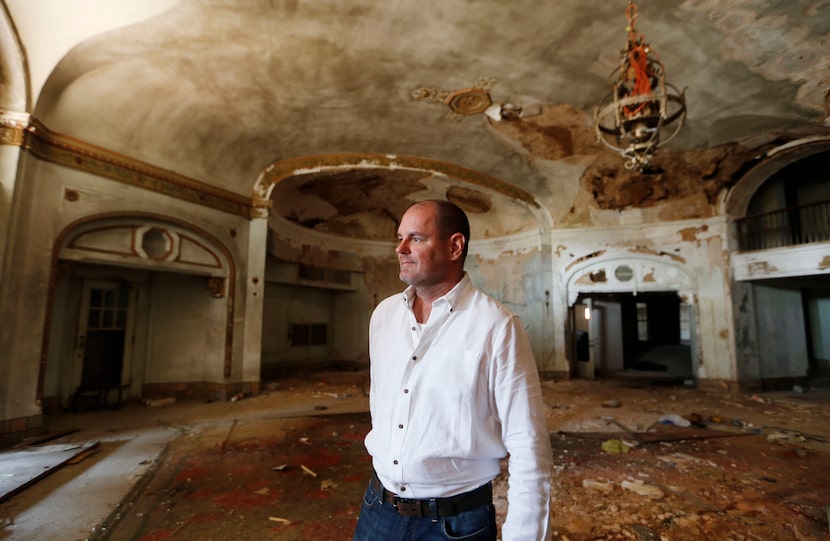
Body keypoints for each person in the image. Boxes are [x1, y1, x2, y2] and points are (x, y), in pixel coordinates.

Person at [353, 199, 552, 541]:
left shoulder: (497, 326)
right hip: (378, 509)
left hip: (456, 524)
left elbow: (527, 442)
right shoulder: (383, 316)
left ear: (454, 246)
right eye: (400, 237)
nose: (400, 248)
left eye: (415, 238)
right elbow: (380, 405)